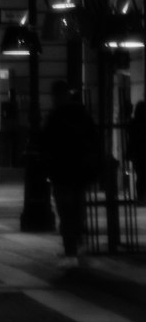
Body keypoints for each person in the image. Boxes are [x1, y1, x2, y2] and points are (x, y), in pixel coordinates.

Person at [42, 81, 101, 257]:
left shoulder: (55, 117)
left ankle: (71, 245)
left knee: (66, 209)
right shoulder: (82, 114)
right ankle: (76, 236)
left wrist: (48, 169)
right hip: (79, 171)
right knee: (76, 207)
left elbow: (47, 145)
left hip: (62, 172)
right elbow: (94, 141)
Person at [129, 100, 146, 202]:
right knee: (141, 176)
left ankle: (141, 197)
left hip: (138, 154)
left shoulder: (133, 123)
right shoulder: (136, 123)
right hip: (140, 153)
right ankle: (141, 197)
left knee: (140, 176)